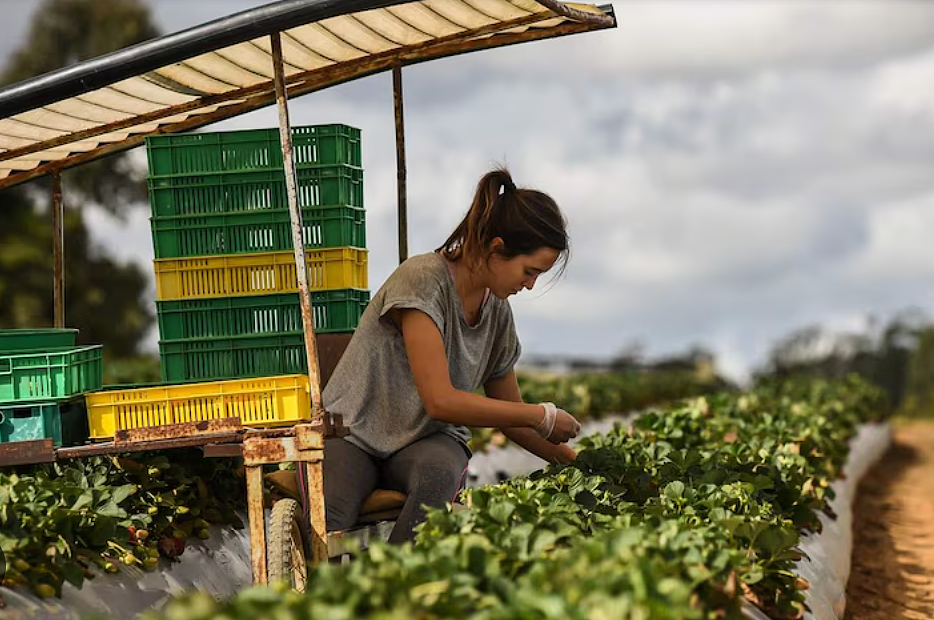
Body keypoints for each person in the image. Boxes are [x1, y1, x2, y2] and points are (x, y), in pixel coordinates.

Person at [321, 167, 582, 543]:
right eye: (529, 270)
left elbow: (511, 419)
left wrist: (582, 465)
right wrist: (541, 415)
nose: (530, 284)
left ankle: (394, 584)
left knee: (440, 474)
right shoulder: (423, 281)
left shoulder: (497, 314)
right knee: (332, 516)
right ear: (496, 249)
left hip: (423, 443)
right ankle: (320, 596)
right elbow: (440, 400)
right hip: (353, 434)